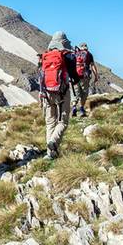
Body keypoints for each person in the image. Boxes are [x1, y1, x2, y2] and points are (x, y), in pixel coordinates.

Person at [40, 31, 79, 159]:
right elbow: (75, 76)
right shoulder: (68, 56)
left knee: (50, 122)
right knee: (63, 121)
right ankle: (54, 143)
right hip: (62, 92)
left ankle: (50, 154)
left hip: (47, 93)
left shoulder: (45, 55)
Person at [72, 42, 99, 117]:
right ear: (87, 47)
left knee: (75, 91)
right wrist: (96, 75)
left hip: (75, 76)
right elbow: (92, 65)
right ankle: (81, 108)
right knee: (84, 92)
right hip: (85, 76)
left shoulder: (75, 53)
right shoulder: (89, 54)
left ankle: (74, 106)